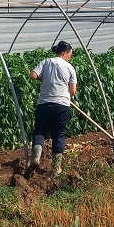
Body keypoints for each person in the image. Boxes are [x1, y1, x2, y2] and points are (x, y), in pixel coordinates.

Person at [28, 41, 77, 178]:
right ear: (65, 52)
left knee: (40, 130)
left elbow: (32, 75)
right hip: (62, 105)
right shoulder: (69, 67)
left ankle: (35, 159)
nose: (69, 57)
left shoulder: (46, 62)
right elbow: (73, 91)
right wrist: (65, 93)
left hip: (44, 103)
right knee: (59, 134)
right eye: (69, 54)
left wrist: (43, 79)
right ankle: (56, 168)